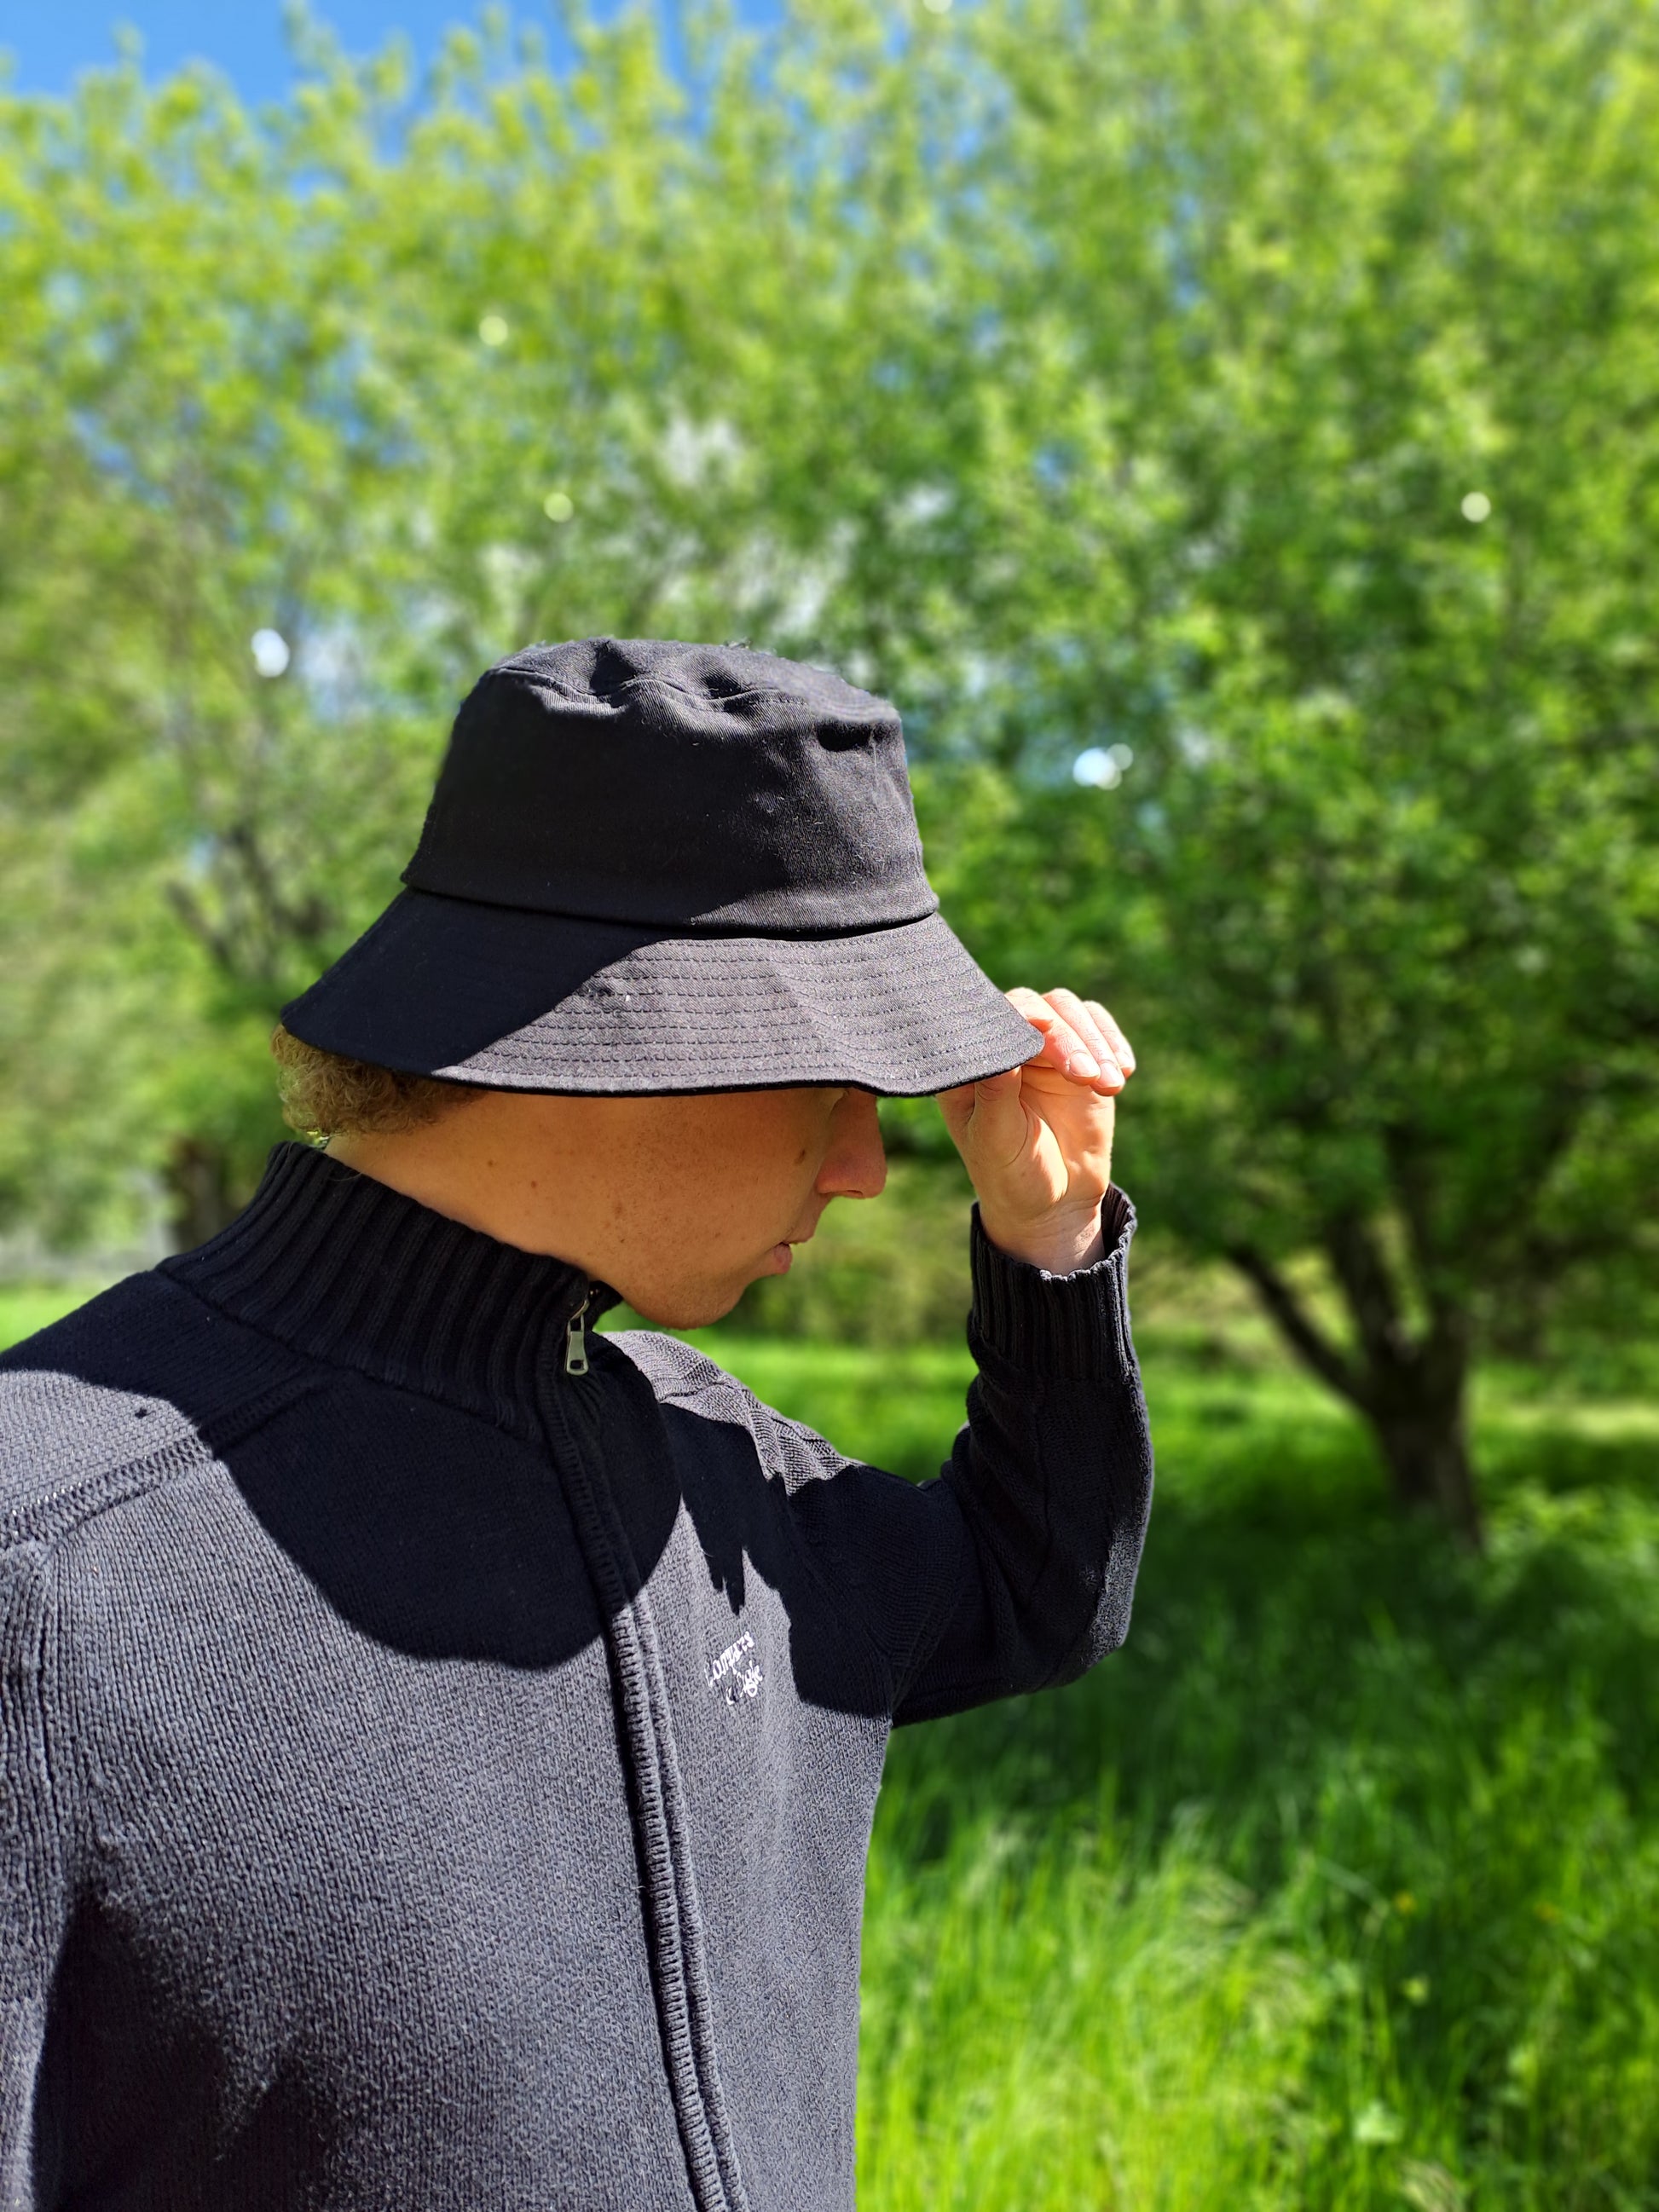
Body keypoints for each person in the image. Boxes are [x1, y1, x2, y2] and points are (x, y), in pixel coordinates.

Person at [0, 638, 1153, 2212]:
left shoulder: (708, 1463)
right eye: (840, 1085)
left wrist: (1049, 1253)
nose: (868, 1170)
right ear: (629, 1044)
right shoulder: (49, 1568)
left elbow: (1036, 1591)